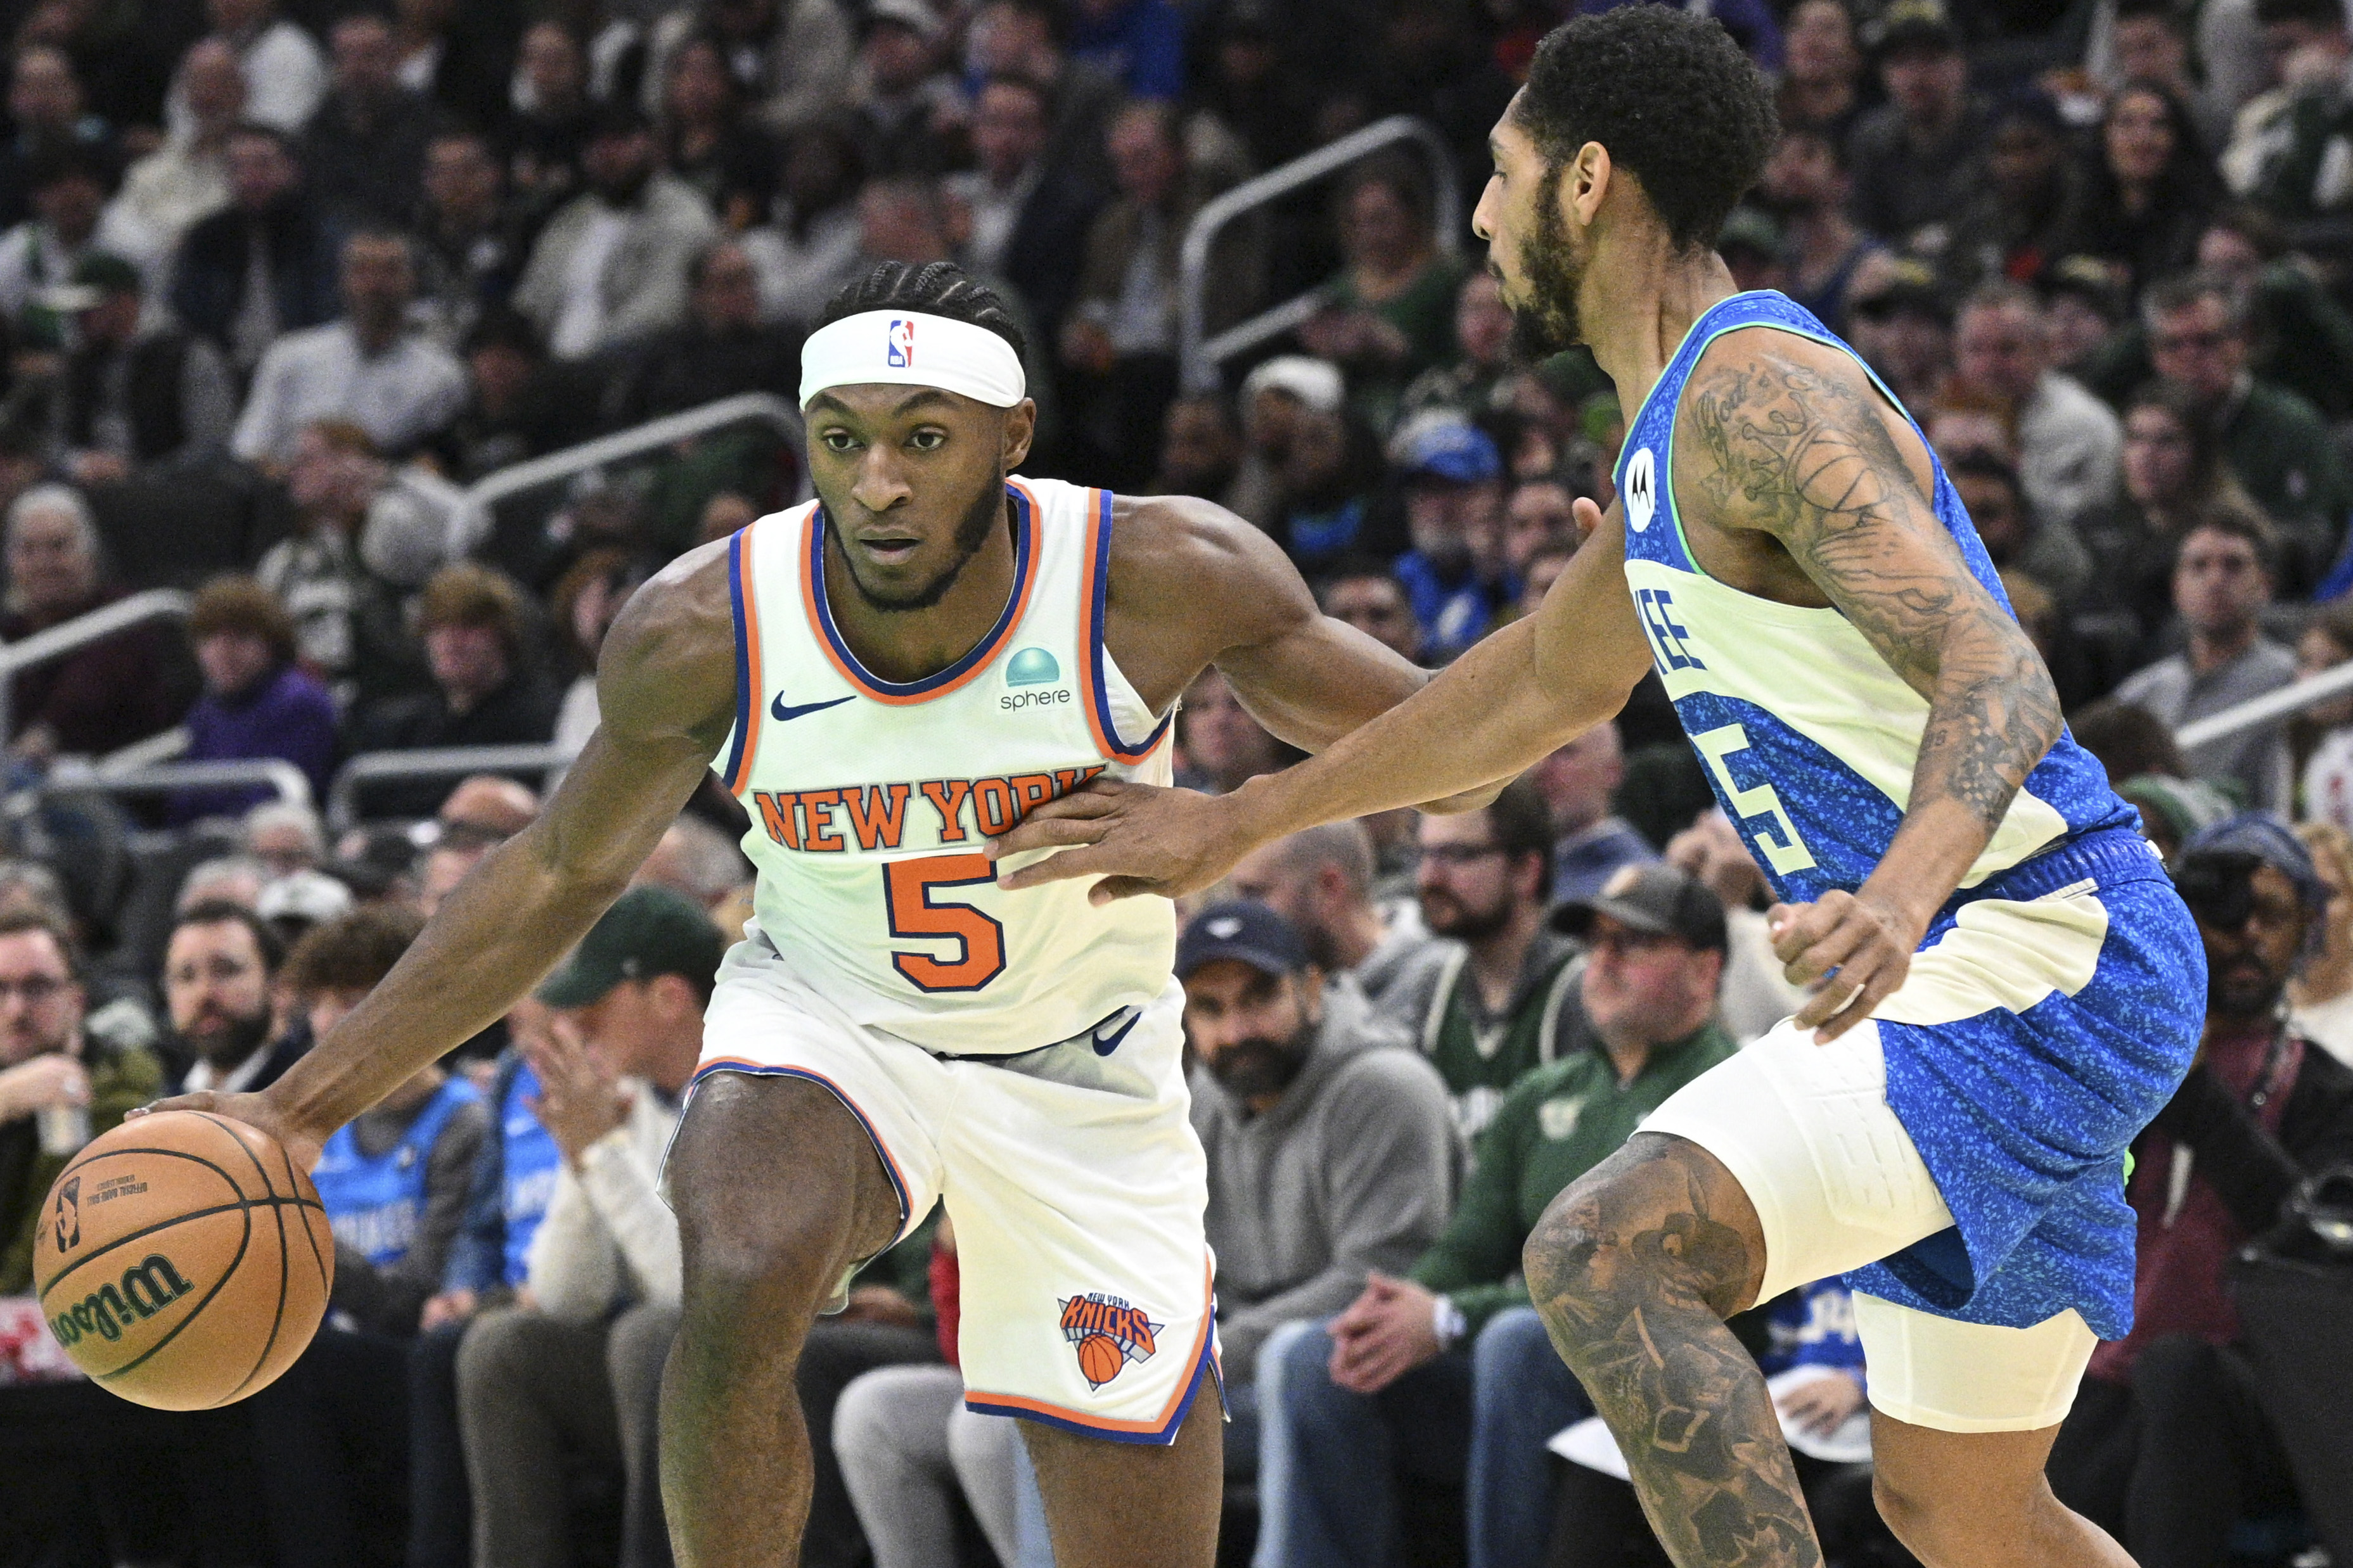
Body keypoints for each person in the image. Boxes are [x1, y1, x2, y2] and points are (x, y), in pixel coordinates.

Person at [994, 12, 2203, 1565]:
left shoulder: (1753, 391)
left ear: (1583, 183)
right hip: (1991, 972)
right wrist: (1234, 822)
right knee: (1963, 1512)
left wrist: (1900, 896)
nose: (1479, 220)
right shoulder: (1665, 440)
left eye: (1497, 179)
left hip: (2036, 950)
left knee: (1598, 1251)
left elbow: (2002, 671)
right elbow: (1523, 697)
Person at [157, 255, 1475, 1568]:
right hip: (834, 1018)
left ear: (1010, 440)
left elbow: (1459, 742)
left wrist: (1248, 813)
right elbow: (557, 868)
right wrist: (295, 1106)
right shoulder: (704, 623)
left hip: (1083, 1058)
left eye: (922, 440)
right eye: (838, 439)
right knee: (736, 1255)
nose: (877, 482)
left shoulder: (1152, 574)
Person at [1257, 862, 1737, 1568]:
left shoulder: (1721, 1094)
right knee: (1318, 1357)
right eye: (1593, 942)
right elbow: (1466, 1247)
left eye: (1632, 944)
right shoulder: (1543, 1094)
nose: (1600, 963)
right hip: (1528, 1375)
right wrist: (1398, 1309)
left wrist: (1448, 1317)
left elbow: (1618, 1291)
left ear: (1704, 969)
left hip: (1669, 1391)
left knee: (1518, 1340)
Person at [2045, 818, 2353, 1567]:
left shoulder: (2326, 1088)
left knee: (2176, 1370)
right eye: (2224, 914)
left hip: (2266, 1400)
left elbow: (2304, 1243)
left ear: (2305, 932)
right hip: (2108, 1379)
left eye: (2272, 916)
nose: (2246, 935)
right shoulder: (2120, 1055)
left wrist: (2192, 1090)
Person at [459, 887, 722, 1568]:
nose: (572, 1024)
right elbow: (563, 1299)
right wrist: (581, 1155)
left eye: (595, 1006)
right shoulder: (632, 1100)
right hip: (683, 1380)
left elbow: (700, 1296)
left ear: (669, 998)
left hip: (778, 1367)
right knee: (504, 1346)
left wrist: (600, 1153)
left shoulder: (754, 1093)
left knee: (648, 1338)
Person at [1179, 899, 1458, 1464]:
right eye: (1209, 1008)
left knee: (1292, 1365)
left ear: (1310, 989)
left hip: (1367, 1373)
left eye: (1258, 998)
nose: (1236, 1031)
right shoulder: (1205, 1096)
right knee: (1057, 1414)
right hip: (1239, 1363)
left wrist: (1197, 1358)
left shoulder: (1385, 1088)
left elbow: (1376, 1279)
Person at [1380, 779, 1582, 1137]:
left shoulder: (1578, 991)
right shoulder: (1433, 985)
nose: (1429, 877)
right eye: (1423, 855)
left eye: (1457, 856)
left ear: (1526, 871)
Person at [0, 906, 160, 1293]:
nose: (16, 1009)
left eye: (36, 987)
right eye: (0, 990)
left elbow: (55, 1253)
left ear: (76, 999)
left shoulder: (123, 1085)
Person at [2139, 269, 2347, 543]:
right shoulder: (2143, 432)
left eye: (2207, 341)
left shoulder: (2292, 426)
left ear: (2242, 340)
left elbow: (2317, 538)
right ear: (2154, 355)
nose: (2189, 357)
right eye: (2173, 345)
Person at [233, 230, 470, 467]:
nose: (374, 285)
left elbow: (437, 465)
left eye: (389, 271)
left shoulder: (442, 375)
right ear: (343, 279)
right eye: (362, 270)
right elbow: (250, 451)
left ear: (411, 280)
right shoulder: (290, 356)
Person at [2114, 509, 2296, 811]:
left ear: (2265, 585)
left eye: (2233, 566)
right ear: (2176, 588)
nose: (2214, 580)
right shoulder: (2140, 693)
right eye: (2198, 566)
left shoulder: (2296, 683)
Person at [513, 103, 719, 362]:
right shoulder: (569, 220)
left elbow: (664, 308)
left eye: (620, 140)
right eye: (596, 143)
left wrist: (590, 357)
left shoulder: (682, 215)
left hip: (630, 366)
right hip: (547, 367)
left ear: (652, 146)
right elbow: (529, 300)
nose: (607, 153)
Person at [1, 482, 188, 761]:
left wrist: (34, 746)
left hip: (113, 787)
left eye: (58, 547)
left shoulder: (126, 617)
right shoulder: (12, 631)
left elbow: (83, 701)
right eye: (28, 550)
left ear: (89, 553)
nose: (43, 564)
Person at [46, 250, 236, 481]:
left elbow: (211, 447)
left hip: (172, 494)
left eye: (89, 310)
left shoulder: (188, 356)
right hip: (92, 490)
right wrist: (78, 463)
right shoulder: (80, 363)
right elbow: (55, 440)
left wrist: (139, 476)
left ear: (125, 302)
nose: (78, 319)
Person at [1949, 283, 2122, 535]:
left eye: (2007, 349)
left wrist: (2006, 464)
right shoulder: (1950, 412)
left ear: (2044, 348)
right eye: (1976, 350)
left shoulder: (2081, 422)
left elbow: (2084, 522)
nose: (1990, 365)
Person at [1224, 820, 1437, 1007]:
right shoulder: (1284, 995)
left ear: (1329, 887)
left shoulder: (1439, 989)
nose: (1242, 914)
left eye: (1254, 894)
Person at [1844, 0, 1992, 250]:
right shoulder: (1870, 140)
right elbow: (1862, 232)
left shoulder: (1994, 129)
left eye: (1930, 59)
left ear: (1960, 66)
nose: (1916, 76)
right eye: (1901, 61)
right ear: (1884, 74)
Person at [160, 898, 300, 1095]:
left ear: (279, 987)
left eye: (225, 971)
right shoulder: (163, 1102)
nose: (204, 992)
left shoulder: (309, 1093)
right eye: (186, 976)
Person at [1530, 722, 1658, 902]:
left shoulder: (1641, 886)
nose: (1540, 768)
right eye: (1534, 754)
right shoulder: (1522, 869)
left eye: (1564, 752)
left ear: (1612, 773)